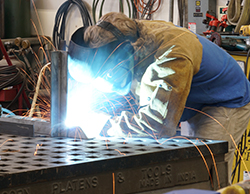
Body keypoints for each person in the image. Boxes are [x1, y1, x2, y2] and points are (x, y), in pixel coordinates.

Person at [68, 12, 250, 180]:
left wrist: (103, 125)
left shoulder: (170, 58)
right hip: (193, 98)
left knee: (203, 168)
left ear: (120, 60)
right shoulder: (128, 36)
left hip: (225, 101)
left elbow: (157, 126)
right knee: (185, 164)